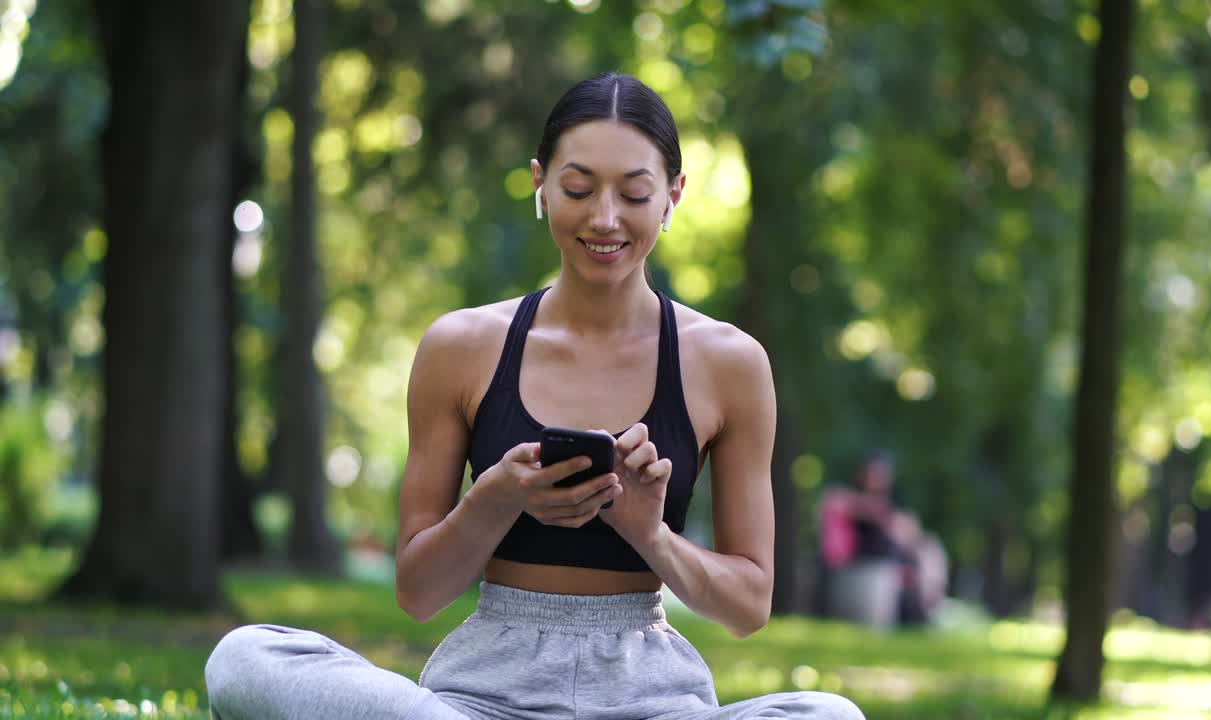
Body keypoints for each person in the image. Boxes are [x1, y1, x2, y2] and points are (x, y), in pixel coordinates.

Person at [205, 73, 863, 720]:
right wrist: (495, 497)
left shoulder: (730, 363)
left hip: (653, 698)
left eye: (634, 194)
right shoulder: (461, 346)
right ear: (540, 183)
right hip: (481, 698)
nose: (605, 219)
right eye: (578, 188)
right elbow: (418, 592)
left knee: (829, 714)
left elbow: (748, 605)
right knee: (245, 656)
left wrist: (651, 535)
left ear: (674, 196)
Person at [818, 452, 947, 629]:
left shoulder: (894, 503)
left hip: (893, 566)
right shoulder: (855, 499)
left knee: (930, 549)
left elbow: (910, 530)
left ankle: (930, 607)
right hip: (866, 566)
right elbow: (833, 501)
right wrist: (874, 512)